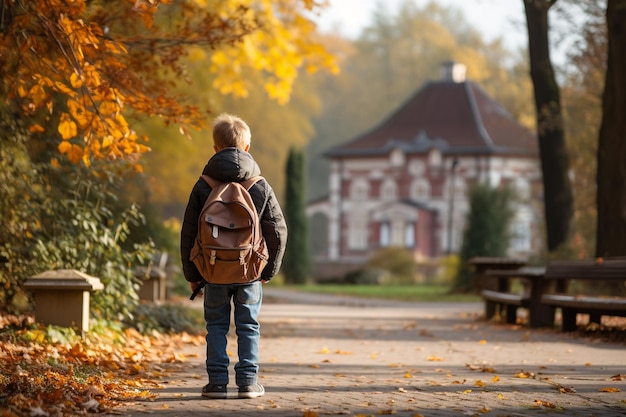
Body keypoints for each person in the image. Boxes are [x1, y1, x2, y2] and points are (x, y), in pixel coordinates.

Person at [180, 113, 287, 399]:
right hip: (249, 270)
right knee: (248, 326)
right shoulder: (259, 185)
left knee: (215, 325)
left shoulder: (203, 185)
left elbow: (188, 233)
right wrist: (268, 271)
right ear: (247, 148)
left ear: (215, 149)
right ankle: (248, 383)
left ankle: (216, 383)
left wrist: (193, 275)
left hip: (212, 271)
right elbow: (278, 230)